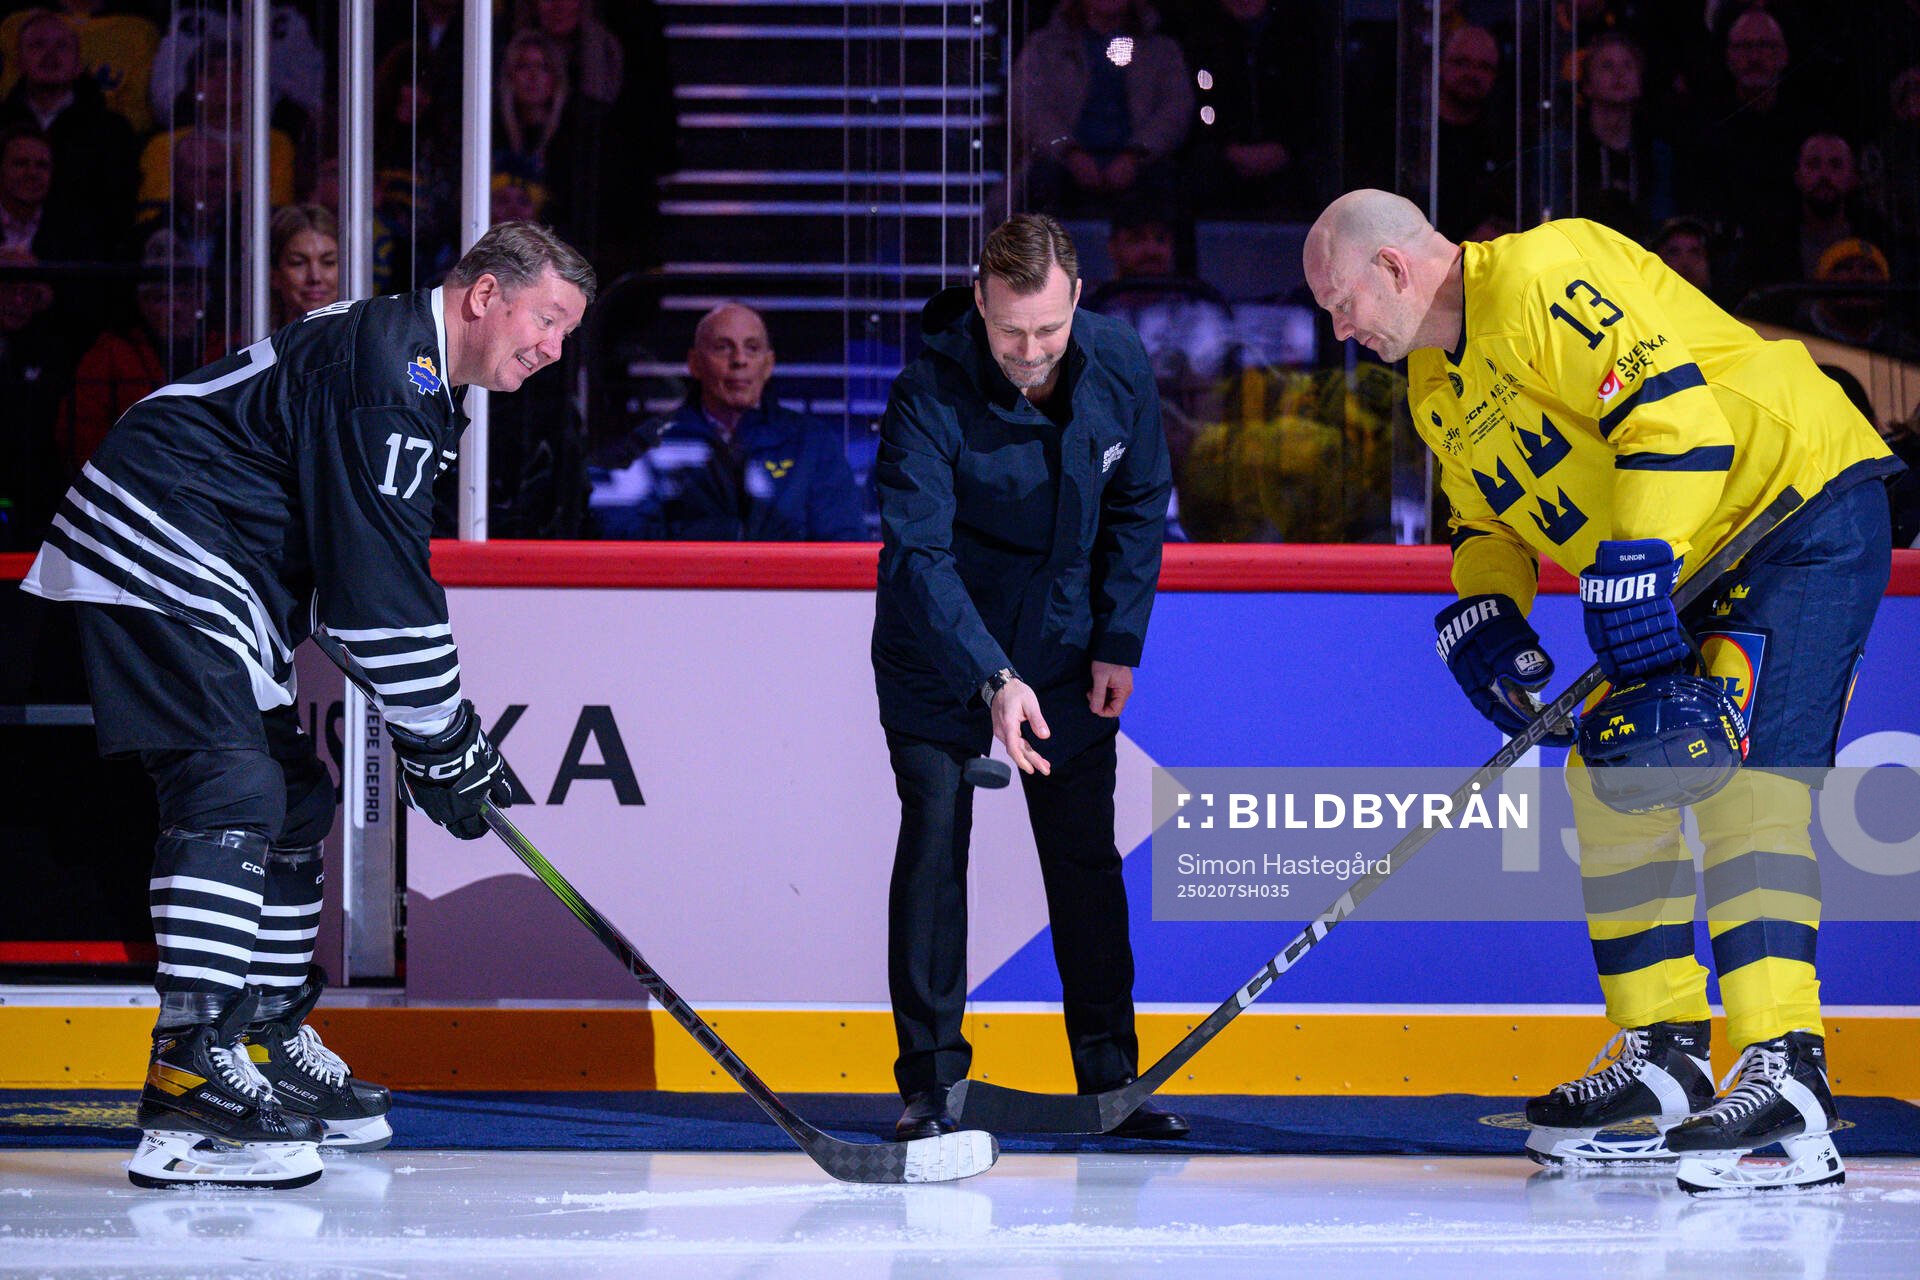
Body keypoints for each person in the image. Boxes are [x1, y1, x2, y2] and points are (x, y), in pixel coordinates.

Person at [1303, 190, 1900, 1192]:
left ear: (1394, 269)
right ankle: (1663, 1054)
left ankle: (1788, 1071)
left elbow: (1676, 417)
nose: (1339, 327)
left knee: (1746, 781)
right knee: (1617, 769)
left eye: (1340, 300)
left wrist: (1634, 565)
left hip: (1792, 512)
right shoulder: (1431, 386)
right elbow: (1486, 525)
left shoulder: (1544, 274)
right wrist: (1486, 612)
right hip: (1689, 560)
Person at [19, 220, 596, 1189]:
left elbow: (361, 579)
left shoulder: (407, 367)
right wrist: (444, 736)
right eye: (546, 319)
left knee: (294, 799)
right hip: (158, 541)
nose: (552, 348)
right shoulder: (390, 376)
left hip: (214, 559)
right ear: (486, 293)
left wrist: (437, 736)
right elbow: (373, 589)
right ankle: (186, 1078)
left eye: (567, 333)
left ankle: (266, 1036)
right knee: (230, 782)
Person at [871, 214, 1184, 1142]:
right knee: (934, 845)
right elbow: (918, 558)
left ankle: (1110, 1078)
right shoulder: (926, 390)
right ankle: (931, 1089)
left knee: (1084, 855)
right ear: (980, 302)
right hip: (941, 654)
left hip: (1067, 651)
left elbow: (1139, 501)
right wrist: (991, 677)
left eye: (1048, 330)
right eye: (1012, 331)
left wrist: (1118, 641)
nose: (1031, 350)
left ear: (1076, 300)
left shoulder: (1119, 361)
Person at [587, 302, 863, 540]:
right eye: (723, 348)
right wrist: (718, 535)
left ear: (768, 365)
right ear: (694, 363)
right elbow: (617, 535)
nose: (739, 360)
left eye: (752, 348)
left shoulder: (812, 444)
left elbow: (843, 542)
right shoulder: (651, 444)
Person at [1010, 0, 1192, 215]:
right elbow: (1029, 107)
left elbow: (1176, 108)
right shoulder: (1044, 47)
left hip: (1142, 163)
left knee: (1170, 182)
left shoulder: (1162, 50)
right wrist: (1069, 151)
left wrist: (1136, 153)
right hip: (1060, 162)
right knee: (1040, 183)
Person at [268, 204, 339, 329]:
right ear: (274, 275)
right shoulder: (250, 342)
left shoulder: (368, 345)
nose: (315, 277)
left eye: (328, 262)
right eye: (298, 263)